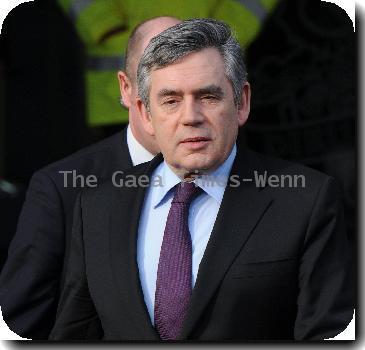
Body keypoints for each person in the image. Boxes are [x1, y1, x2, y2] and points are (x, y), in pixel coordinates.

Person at [49, 19, 353, 341]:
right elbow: (74, 335)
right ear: (145, 113)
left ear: (242, 102)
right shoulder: (98, 207)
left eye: (208, 96)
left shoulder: (305, 201)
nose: (190, 116)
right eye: (171, 100)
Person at [0, 16, 181, 340]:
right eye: (158, 81)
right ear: (126, 88)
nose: (180, 106)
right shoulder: (60, 189)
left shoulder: (257, 185)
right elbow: (22, 325)